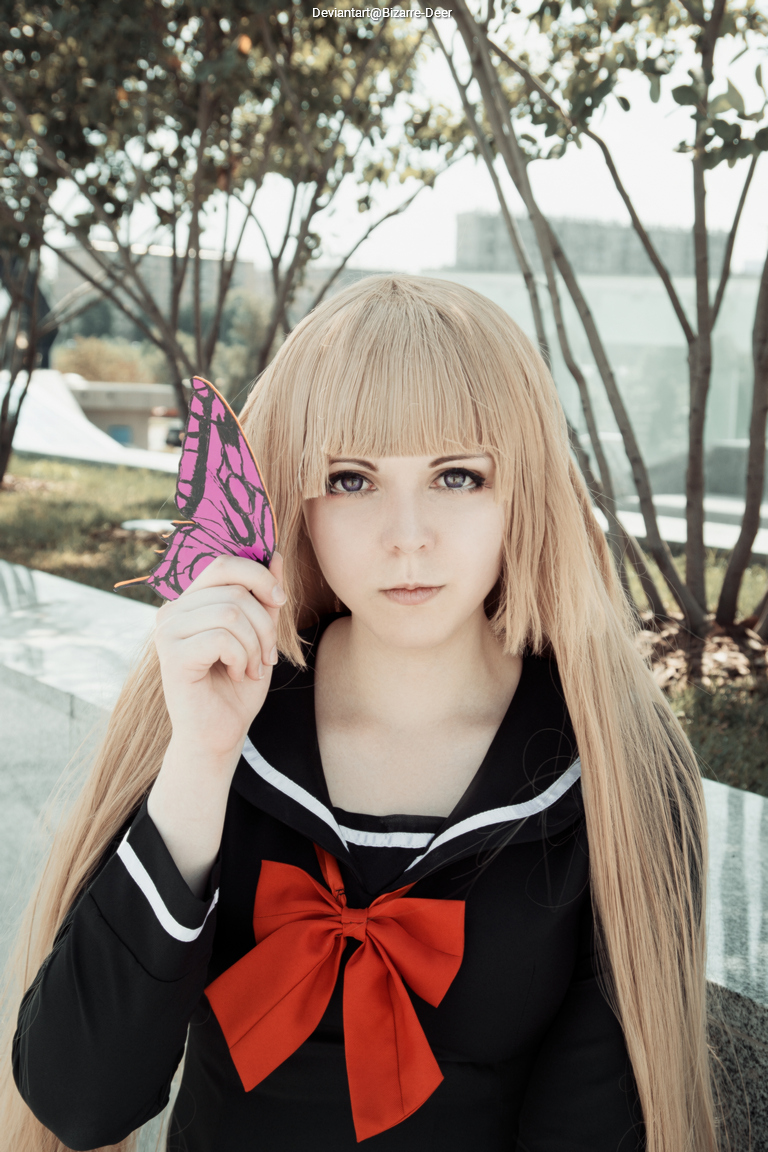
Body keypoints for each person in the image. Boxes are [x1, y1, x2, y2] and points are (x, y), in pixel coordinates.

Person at [2, 276, 716, 1152]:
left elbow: (594, 1118)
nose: (406, 534)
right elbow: (78, 1099)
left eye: (458, 475)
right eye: (351, 478)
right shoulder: (225, 719)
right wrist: (200, 759)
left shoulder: (607, 765)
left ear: (521, 492)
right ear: (292, 498)